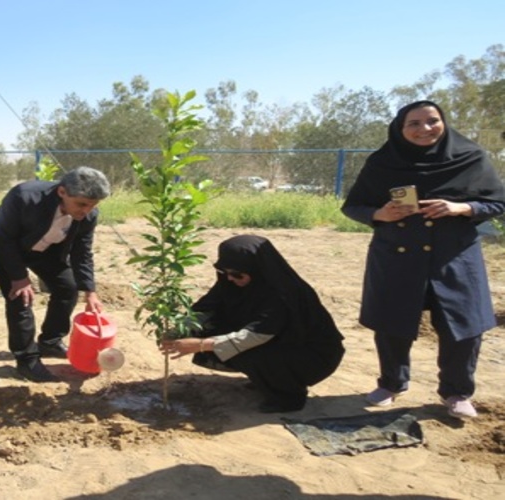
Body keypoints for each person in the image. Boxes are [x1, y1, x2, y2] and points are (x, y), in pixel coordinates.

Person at [341, 100, 505, 419]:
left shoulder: (470, 157)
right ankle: (392, 383)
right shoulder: (382, 163)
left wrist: (461, 208)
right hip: (396, 255)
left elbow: (498, 202)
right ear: (400, 129)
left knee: (464, 325)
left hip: (455, 256)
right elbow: (353, 206)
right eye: (413, 123)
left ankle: (456, 392)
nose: (424, 129)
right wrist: (380, 213)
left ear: (444, 122)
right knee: (392, 322)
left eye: (432, 121)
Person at [159, 235, 345, 413]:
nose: (230, 278)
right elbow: (205, 310)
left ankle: (288, 397)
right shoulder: (230, 283)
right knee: (212, 329)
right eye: (224, 272)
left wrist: (199, 345)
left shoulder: (282, 294)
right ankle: (266, 379)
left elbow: (257, 335)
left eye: (237, 274)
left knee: (246, 353)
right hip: (277, 344)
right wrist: (178, 330)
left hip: (312, 357)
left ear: (257, 269)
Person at [0, 166, 110, 382]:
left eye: (93, 205)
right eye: (81, 204)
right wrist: (19, 277)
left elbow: (82, 251)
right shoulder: (24, 197)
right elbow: (3, 238)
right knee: (20, 299)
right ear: (62, 192)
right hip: (7, 247)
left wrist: (90, 291)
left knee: (67, 288)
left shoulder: (88, 214)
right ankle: (26, 360)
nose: (86, 211)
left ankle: (50, 341)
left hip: (47, 249)